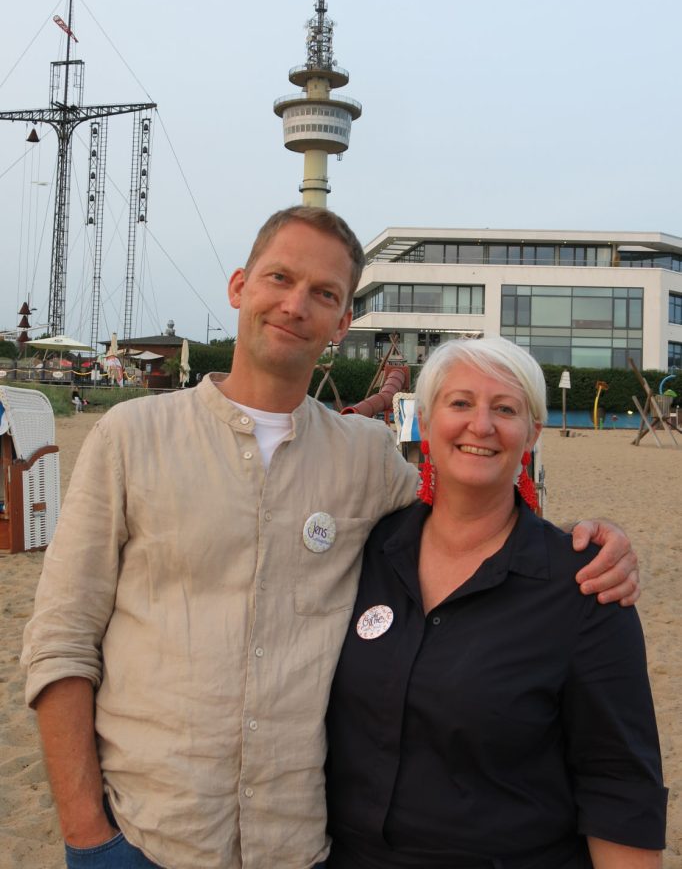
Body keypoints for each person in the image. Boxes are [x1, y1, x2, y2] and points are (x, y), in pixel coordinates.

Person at [22, 207, 638, 869]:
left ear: (342, 322)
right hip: (147, 838)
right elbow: (62, 640)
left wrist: (581, 541)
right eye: (279, 278)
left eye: (323, 293)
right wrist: (88, 835)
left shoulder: (367, 459)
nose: (296, 305)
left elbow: (470, 514)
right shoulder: (131, 438)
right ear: (239, 286)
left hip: (297, 847)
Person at [325, 337, 667, 869]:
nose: (481, 425)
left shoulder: (585, 587)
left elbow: (618, 783)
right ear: (425, 423)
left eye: (505, 409)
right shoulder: (366, 551)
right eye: (460, 403)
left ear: (533, 432)